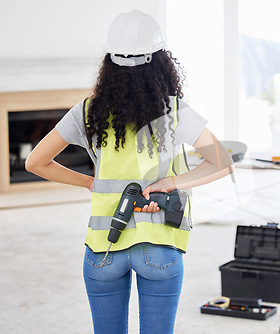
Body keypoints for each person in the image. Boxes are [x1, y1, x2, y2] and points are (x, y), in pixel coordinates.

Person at [25, 9, 234, 334]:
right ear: (161, 61)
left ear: (109, 62)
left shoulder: (87, 112)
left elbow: (34, 162)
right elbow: (221, 161)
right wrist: (170, 182)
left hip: (102, 251)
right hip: (159, 248)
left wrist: (89, 183)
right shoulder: (173, 112)